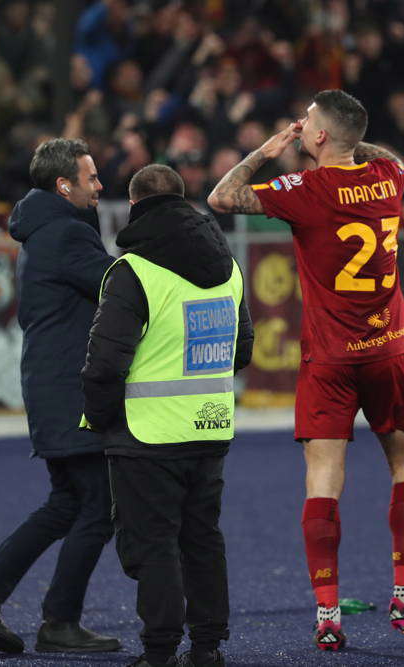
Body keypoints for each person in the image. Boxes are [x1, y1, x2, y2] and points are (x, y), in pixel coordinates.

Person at [207, 89, 404, 651]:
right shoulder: (389, 175)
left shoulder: (308, 189)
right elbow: (387, 154)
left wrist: (270, 149)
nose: (301, 127)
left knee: (322, 481)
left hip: (331, 359)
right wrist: (341, 135)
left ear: (316, 136)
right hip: (390, 348)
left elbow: (222, 196)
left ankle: (327, 610)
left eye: (307, 123)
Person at [0, 138, 119, 655]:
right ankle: (59, 621)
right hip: (70, 388)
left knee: (69, 501)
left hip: (51, 384)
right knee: (99, 505)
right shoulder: (68, 234)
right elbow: (121, 286)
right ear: (63, 185)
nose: (99, 186)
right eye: (91, 178)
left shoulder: (46, 232)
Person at [81, 164, 253, 667]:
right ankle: (206, 648)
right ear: (185, 202)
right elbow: (242, 351)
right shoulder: (229, 266)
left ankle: (158, 652)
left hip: (145, 434)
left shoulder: (133, 272)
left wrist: (101, 418)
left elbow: (103, 364)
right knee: (203, 539)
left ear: (134, 207)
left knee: (152, 545)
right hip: (210, 425)